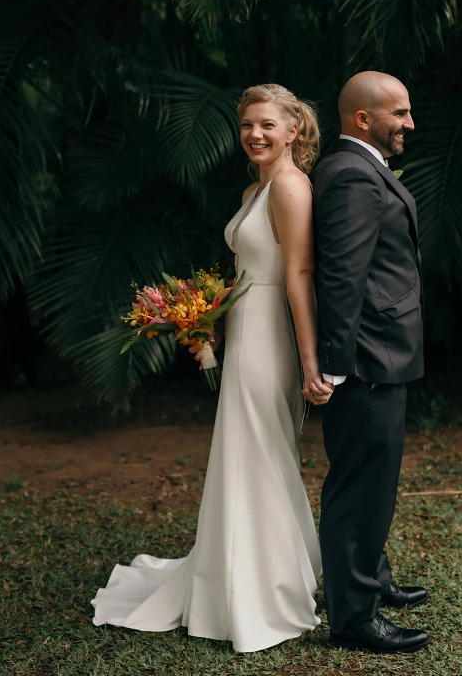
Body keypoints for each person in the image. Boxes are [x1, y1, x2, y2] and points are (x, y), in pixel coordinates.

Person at [91, 83, 332, 653]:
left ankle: (266, 591)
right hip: (244, 329)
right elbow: (250, 267)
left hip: (271, 338)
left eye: (267, 124)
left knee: (261, 452)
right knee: (247, 452)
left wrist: (309, 360)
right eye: (247, 124)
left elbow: (298, 276)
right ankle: (245, 578)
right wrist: (206, 317)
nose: (254, 134)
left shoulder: (292, 187)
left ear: (293, 130)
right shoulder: (257, 187)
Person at [310, 71, 430, 654]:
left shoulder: (355, 167)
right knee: (359, 487)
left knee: (375, 483)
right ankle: (354, 618)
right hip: (366, 360)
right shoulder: (353, 176)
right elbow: (340, 277)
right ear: (364, 119)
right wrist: (335, 364)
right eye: (400, 113)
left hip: (381, 353)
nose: (410, 123)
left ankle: (372, 580)